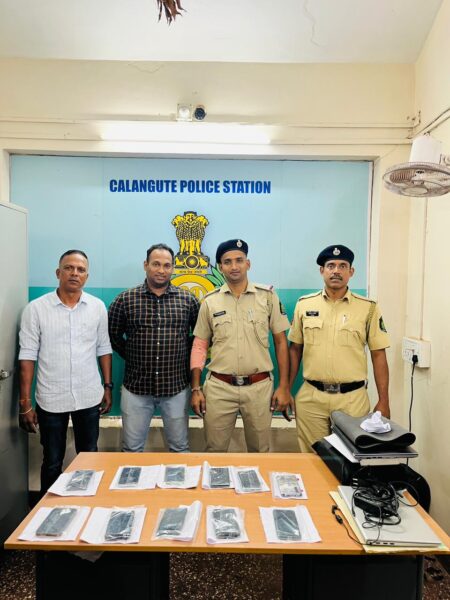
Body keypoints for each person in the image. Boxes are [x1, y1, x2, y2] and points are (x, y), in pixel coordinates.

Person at [18, 250, 113, 494]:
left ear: (86, 276)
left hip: (88, 396)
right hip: (51, 398)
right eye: (69, 268)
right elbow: (27, 356)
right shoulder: (36, 309)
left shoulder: (97, 307)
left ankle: (86, 505)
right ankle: (48, 512)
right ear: (58, 273)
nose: (74, 273)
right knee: (52, 461)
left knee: (89, 456)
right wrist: (25, 403)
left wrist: (107, 386)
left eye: (81, 270)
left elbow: (104, 348)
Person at [190, 239, 291, 453]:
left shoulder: (267, 297)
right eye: (227, 262)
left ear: (248, 263)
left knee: (260, 451)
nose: (234, 266)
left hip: (259, 388)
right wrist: (196, 388)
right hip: (219, 388)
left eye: (239, 260)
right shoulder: (210, 301)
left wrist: (284, 387)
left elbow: (281, 342)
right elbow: (199, 346)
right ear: (220, 267)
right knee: (215, 451)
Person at [288, 244, 390, 452]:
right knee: (312, 457)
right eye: (331, 266)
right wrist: (286, 388)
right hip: (311, 398)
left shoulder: (368, 308)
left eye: (342, 266)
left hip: (353, 400)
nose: (336, 271)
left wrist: (384, 400)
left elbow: (378, 355)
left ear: (351, 272)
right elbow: (295, 350)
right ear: (322, 270)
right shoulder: (304, 305)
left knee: (352, 457)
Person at [108, 243, 200, 453]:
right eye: (156, 264)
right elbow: (112, 335)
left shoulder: (188, 300)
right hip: (136, 388)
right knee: (132, 450)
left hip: (176, 388)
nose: (161, 270)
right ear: (145, 265)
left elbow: (200, 339)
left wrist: (181, 355)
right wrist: (133, 355)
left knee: (180, 449)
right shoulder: (125, 300)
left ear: (173, 268)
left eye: (167, 265)